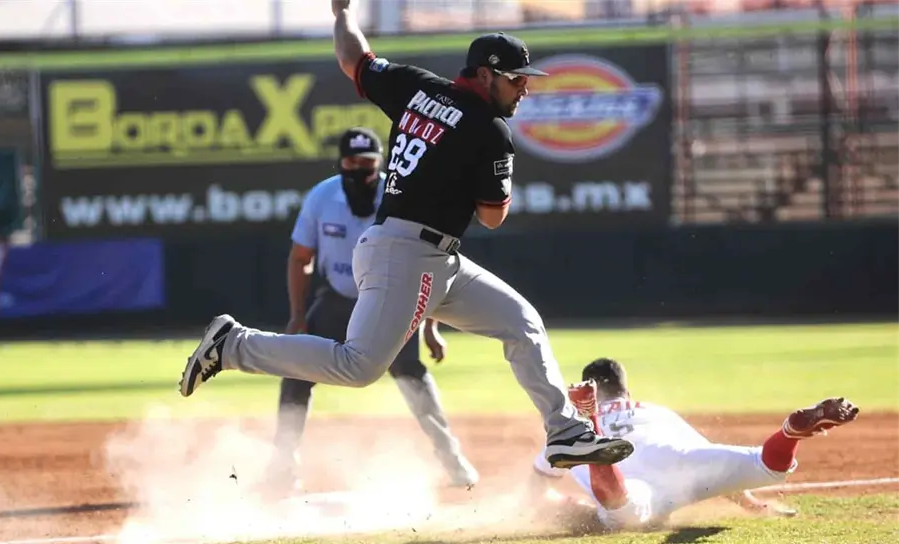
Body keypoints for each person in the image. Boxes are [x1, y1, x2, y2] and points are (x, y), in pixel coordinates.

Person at [178, 0, 635, 470]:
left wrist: (341, 14)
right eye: (515, 79)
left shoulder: (417, 88)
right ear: (484, 75)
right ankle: (233, 345)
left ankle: (562, 433)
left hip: (426, 255)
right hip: (408, 254)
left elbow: (353, 59)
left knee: (521, 322)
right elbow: (493, 216)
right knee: (357, 367)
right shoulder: (490, 130)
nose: (524, 89)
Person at [264, 127, 478, 493]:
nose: (359, 171)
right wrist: (297, 316)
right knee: (295, 371)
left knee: (413, 378)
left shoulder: (402, 198)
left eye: (368, 164)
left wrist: (430, 326)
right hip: (336, 300)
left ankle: (453, 461)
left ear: (382, 164)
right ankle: (283, 464)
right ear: (340, 162)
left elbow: (427, 262)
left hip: (391, 302)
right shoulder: (322, 196)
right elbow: (301, 258)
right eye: (352, 163)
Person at [529, 358, 860, 531]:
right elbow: (714, 473)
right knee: (768, 467)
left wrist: (575, 512)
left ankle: (594, 424)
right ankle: (790, 432)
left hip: (630, 480)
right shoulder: (655, 410)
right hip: (680, 461)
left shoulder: (566, 428)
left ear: (595, 394)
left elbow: (539, 492)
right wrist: (753, 506)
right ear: (626, 392)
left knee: (622, 512)